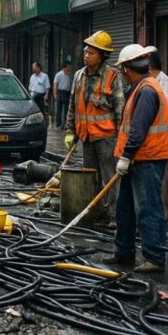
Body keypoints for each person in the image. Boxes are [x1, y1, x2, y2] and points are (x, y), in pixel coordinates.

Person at [105, 45, 168, 274]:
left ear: (126, 68)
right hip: (137, 158)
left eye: (121, 69)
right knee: (124, 207)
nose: (120, 74)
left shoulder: (146, 90)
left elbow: (139, 128)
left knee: (148, 209)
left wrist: (126, 155)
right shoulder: (139, 88)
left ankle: (154, 258)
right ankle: (123, 251)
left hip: (148, 159)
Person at [64, 31, 125, 227]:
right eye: (85, 51)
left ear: (102, 55)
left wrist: (122, 139)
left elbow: (120, 110)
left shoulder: (112, 77)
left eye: (91, 52)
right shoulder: (78, 76)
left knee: (110, 178)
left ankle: (114, 216)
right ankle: (95, 212)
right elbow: (73, 106)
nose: (86, 55)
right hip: (86, 137)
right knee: (90, 178)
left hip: (106, 137)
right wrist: (70, 131)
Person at [148, 50, 168, 216]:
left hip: (162, 138)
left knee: (163, 177)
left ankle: (163, 215)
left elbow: (161, 108)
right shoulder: (152, 81)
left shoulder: (163, 82)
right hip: (153, 139)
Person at [52, 61, 72, 129]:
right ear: (65, 67)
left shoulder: (69, 75)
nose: (69, 68)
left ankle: (65, 124)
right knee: (59, 108)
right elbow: (55, 84)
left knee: (66, 109)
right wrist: (55, 93)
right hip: (60, 92)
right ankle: (58, 123)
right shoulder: (59, 74)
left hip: (67, 92)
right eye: (68, 67)